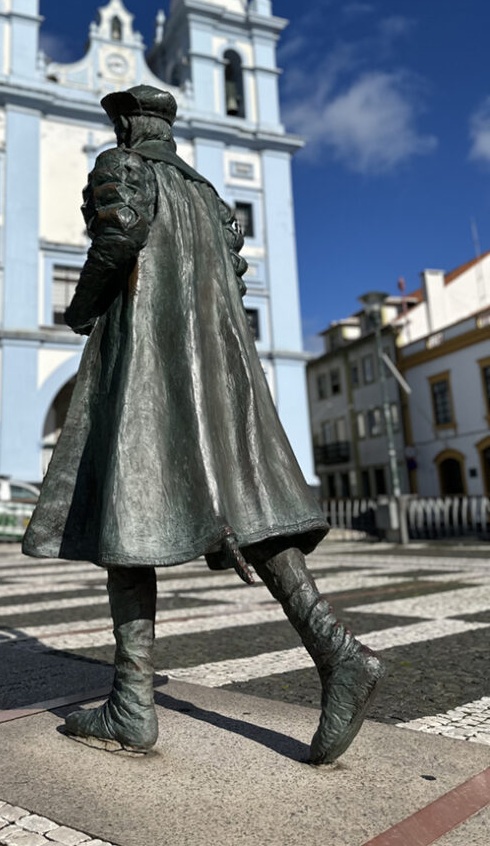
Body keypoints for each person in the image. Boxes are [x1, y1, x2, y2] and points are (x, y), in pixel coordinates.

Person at [22, 85, 384, 763]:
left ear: (126, 124)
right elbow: (235, 279)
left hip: (149, 365)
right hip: (218, 369)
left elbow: (118, 235)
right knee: (254, 516)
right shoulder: (209, 197)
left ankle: (132, 705)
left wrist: (79, 309)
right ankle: (339, 655)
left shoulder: (122, 165)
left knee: (124, 511)